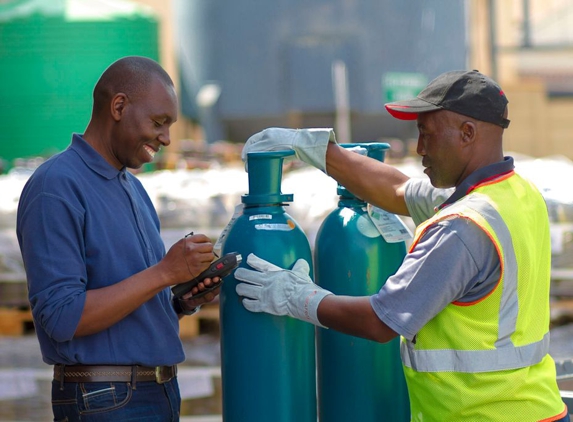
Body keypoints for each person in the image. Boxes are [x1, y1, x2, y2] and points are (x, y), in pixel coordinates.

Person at [235, 70, 569, 421]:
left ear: (467, 133)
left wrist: (297, 297)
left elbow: (381, 321)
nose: (420, 148)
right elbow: (397, 190)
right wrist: (316, 149)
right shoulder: (518, 194)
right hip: (536, 408)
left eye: (427, 134)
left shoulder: (461, 229)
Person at [16, 56, 221, 421]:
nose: (167, 138)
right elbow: (63, 317)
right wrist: (163, 272)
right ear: (119, 106)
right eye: (159, 122)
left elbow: (129, 299)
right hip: (104, 399)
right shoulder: (56, 186)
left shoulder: (134, 189)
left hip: (155, 391)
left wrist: (181, 300)